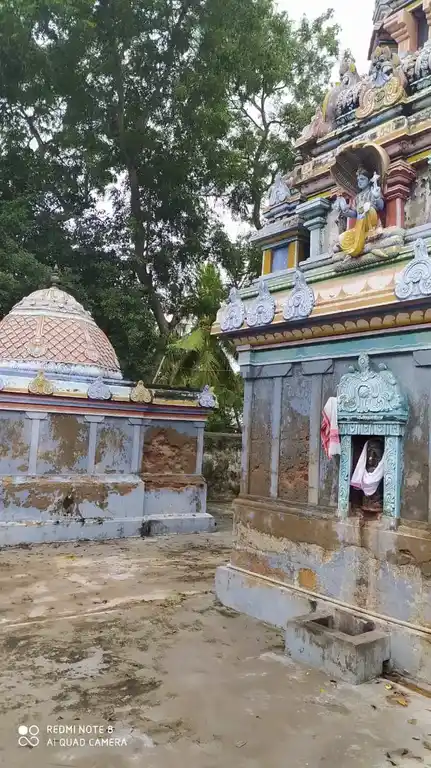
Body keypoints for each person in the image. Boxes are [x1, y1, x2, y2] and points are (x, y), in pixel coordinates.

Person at [334, 166, 384, 257]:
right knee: (342, 238)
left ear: (369, 180)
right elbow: (355, 214)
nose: (359, 181)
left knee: (368, 208)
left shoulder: (373, 191)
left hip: (371, 223)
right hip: (360, 227)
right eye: (358, 179)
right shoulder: (357, 197)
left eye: (362, 179)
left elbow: (381, 207)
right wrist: (345, 210)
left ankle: (366, 238)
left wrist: (377, 197)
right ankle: (361, 241)